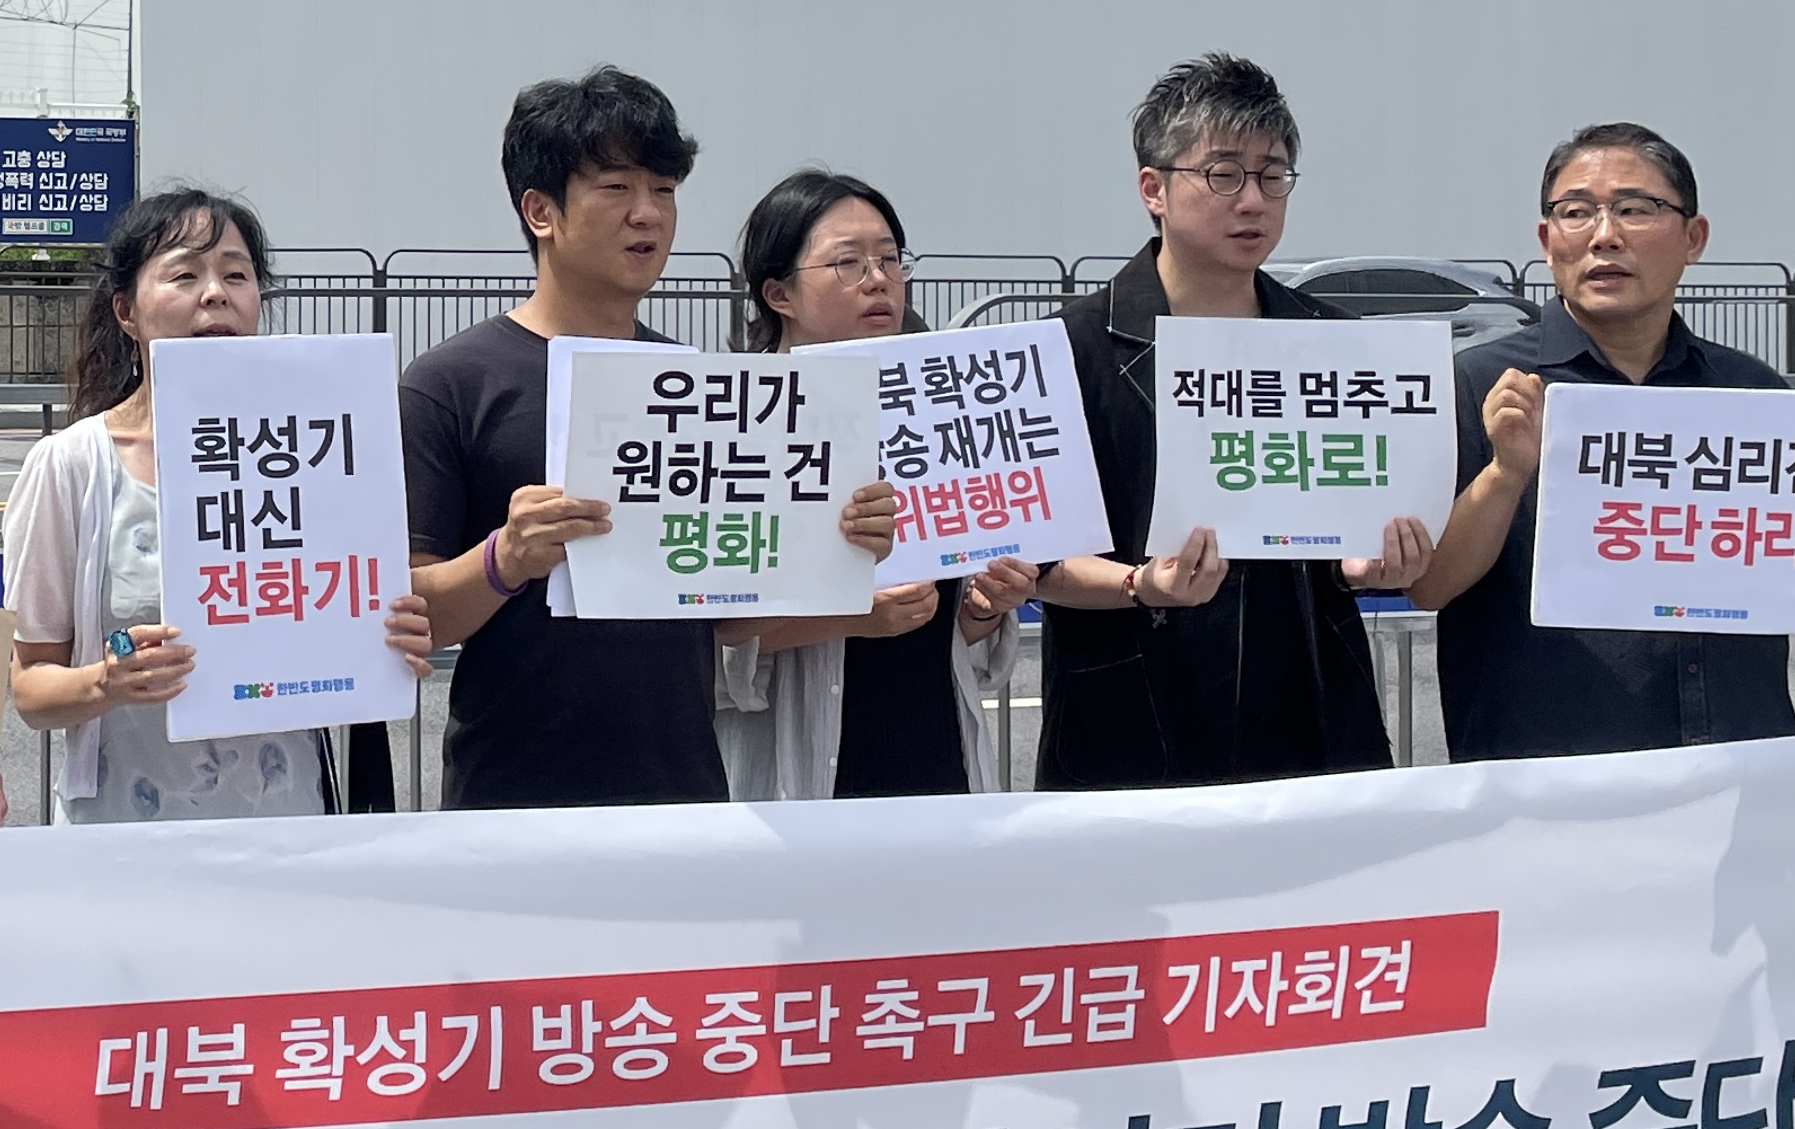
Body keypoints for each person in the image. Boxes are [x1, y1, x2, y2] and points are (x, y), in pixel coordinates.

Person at [404, 68, 893, 807]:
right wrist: (505, 559)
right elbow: (412, 610)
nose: (649, 214)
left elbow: (726, 618)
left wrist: (838, 544)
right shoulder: (451, 383)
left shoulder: (697, 384)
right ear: (540, 210)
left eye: (664, 190)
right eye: (617, 188)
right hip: (512, 796)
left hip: (684, 791)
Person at [1406, 122, 1795, 758]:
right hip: (1544, 770)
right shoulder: (1482, 384)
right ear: (1547, 241)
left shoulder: (1752, 390)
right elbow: (1429, 584)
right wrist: (1505, 473)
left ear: (1693, 238)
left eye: (1635, 209)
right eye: (1577, 212)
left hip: (1740, 760)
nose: (1604, 235)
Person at [1035, 53, 1433, 789]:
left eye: (1272, 176)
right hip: (1132, 711)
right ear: (1153, 188)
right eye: (1223, 174)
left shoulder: (1333, 344)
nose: (1252, 200)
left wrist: (1365, 567)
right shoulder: (1073, 347)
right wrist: (1139, 584)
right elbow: (1035, 562)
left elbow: (1349, 526)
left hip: (1312, 709)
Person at [1, 185, 431, 820]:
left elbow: (339, 616)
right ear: (126, 311)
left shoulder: (316, 455)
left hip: (289, 828)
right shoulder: (72, 465)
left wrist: (388, 636)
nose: (215, 293)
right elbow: (31, 688)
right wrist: (107, 682)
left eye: (236, 274)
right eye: (184, 275)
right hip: (126, 834)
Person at [714, 170, 1026, 799]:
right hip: (802, 788)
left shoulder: (939, 413)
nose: (879, 279)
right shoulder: (735, 425)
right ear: (778, 293)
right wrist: (849, 617)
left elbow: (954, 640)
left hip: (938, 766)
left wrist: (984, 607)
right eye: (848, 263)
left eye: (889, 259)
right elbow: (708, 646)